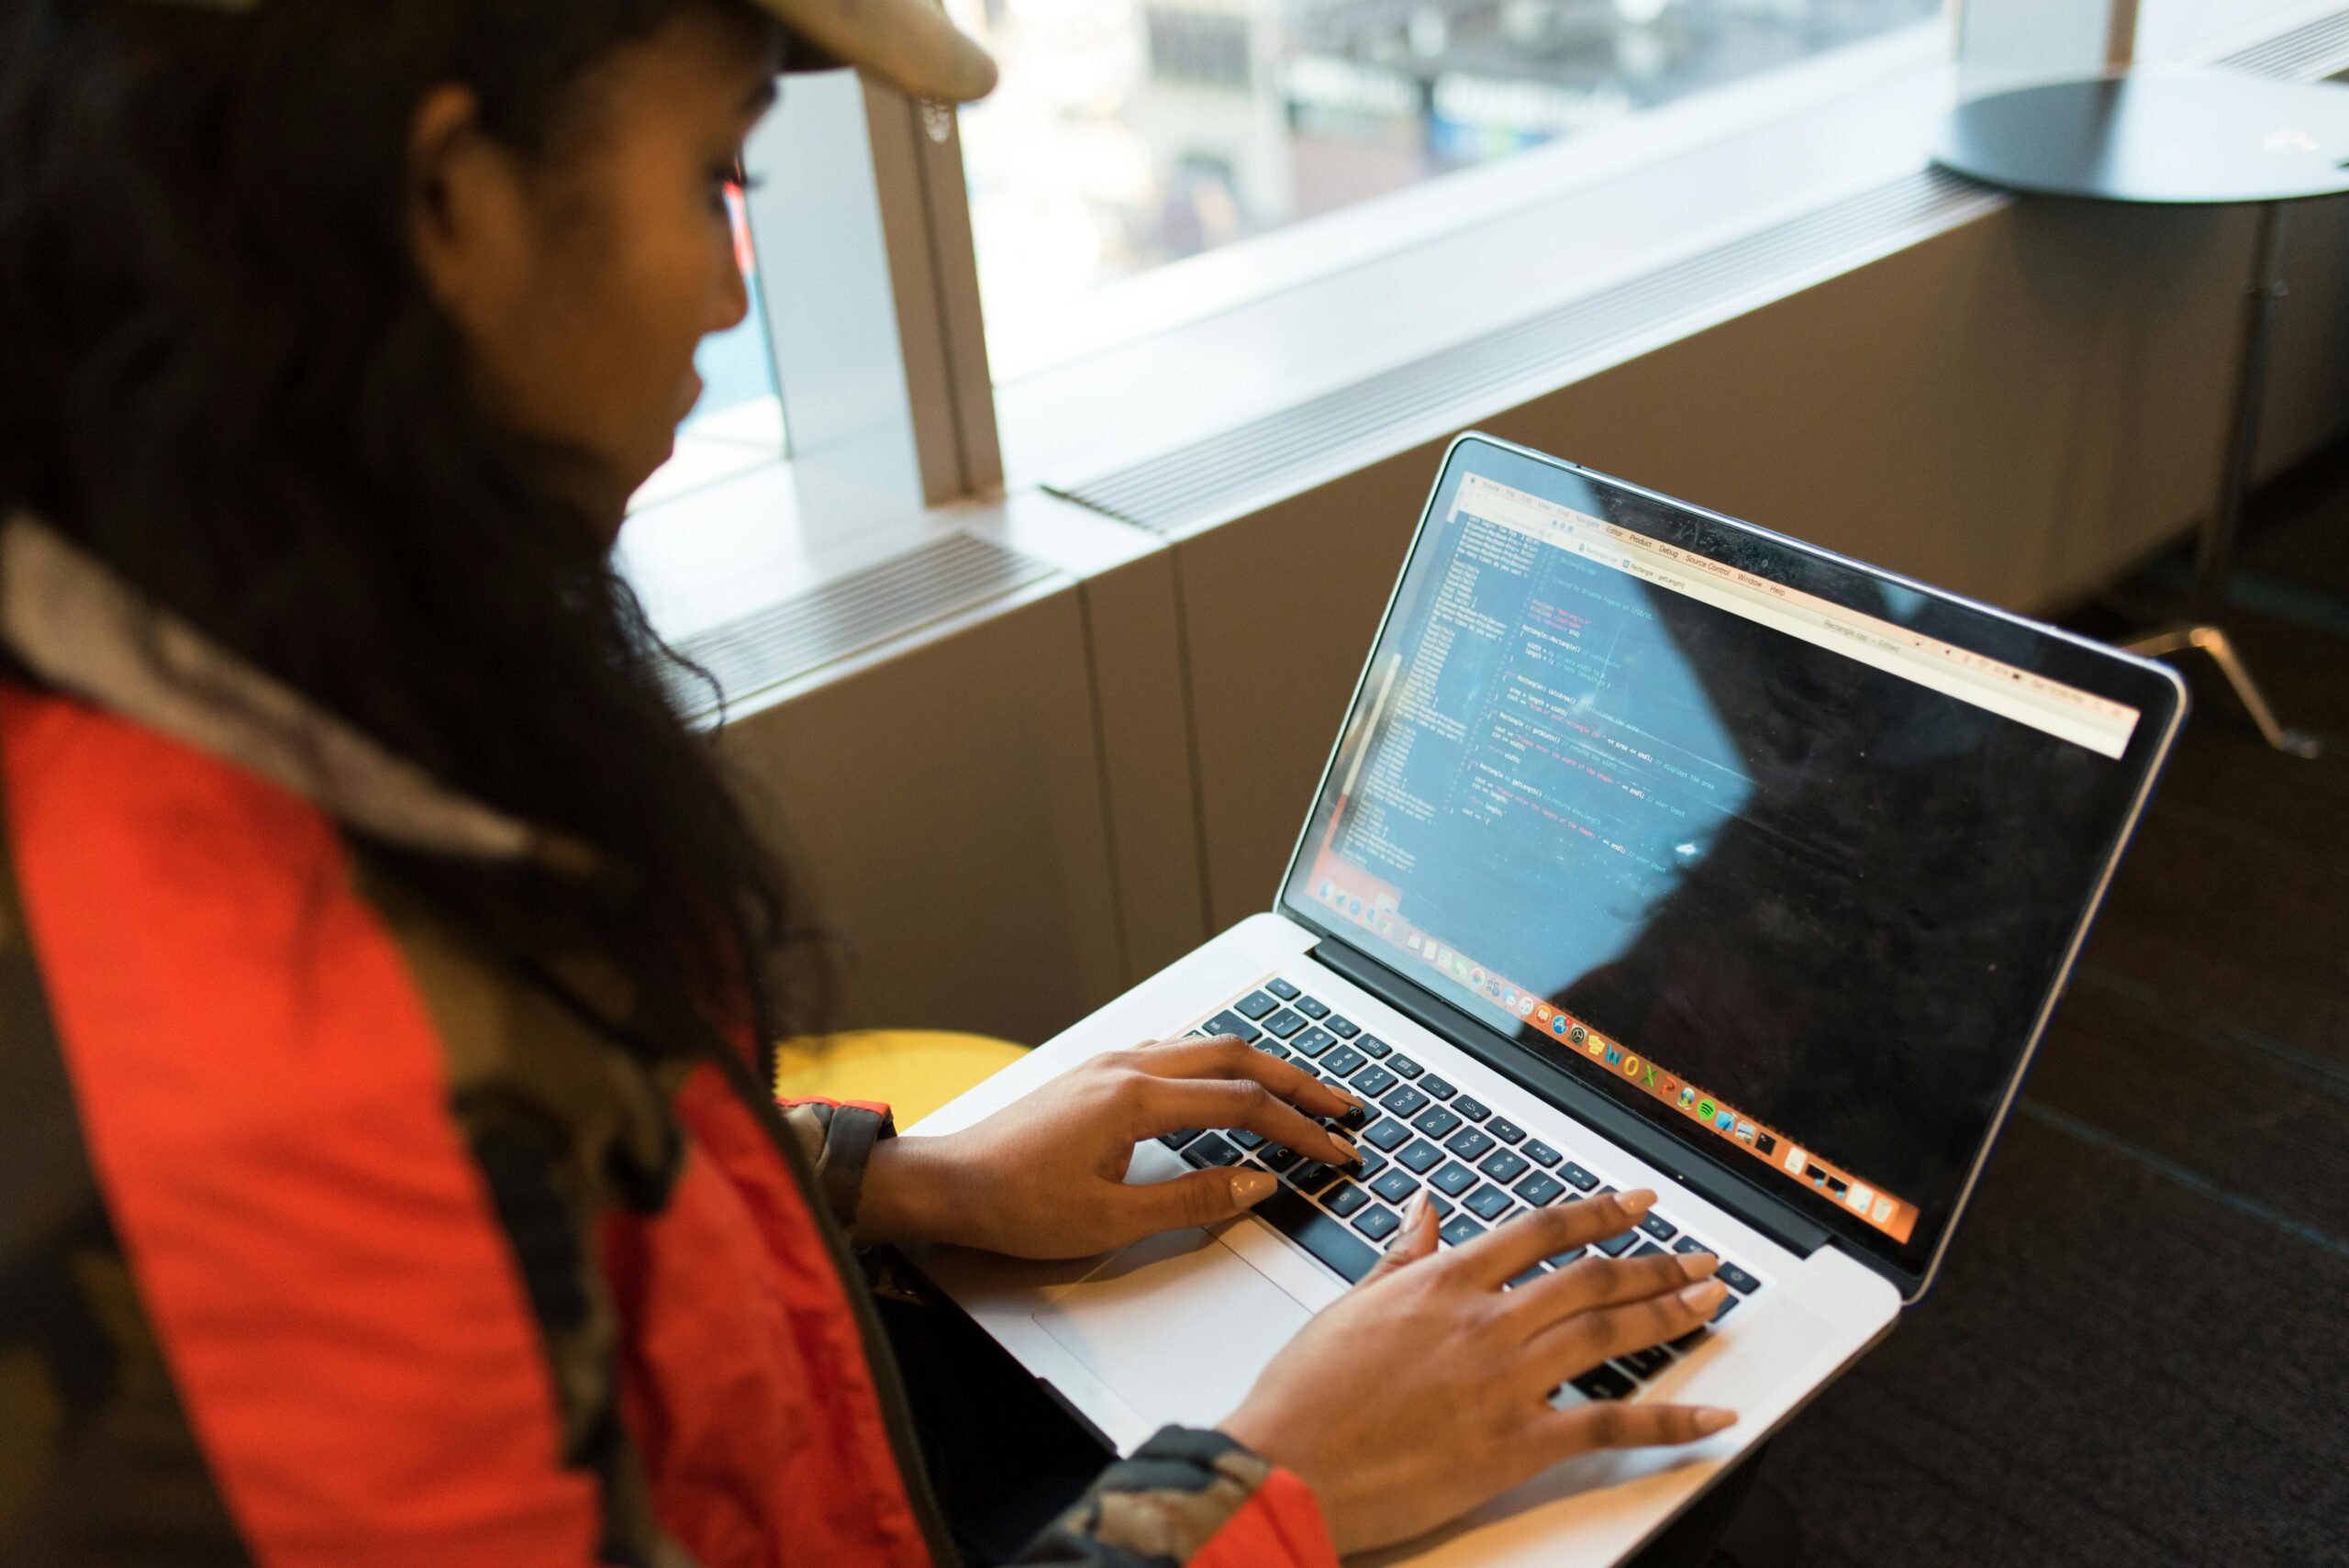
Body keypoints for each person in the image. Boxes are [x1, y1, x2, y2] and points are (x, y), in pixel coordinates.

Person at [0, 2, 1751, 1563]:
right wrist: (1271, 1486)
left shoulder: (250, 661)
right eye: (712, 182)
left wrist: (891, 1183)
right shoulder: (291, 1130)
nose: (731, 288)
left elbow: (572, 1167)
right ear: (451, 201)